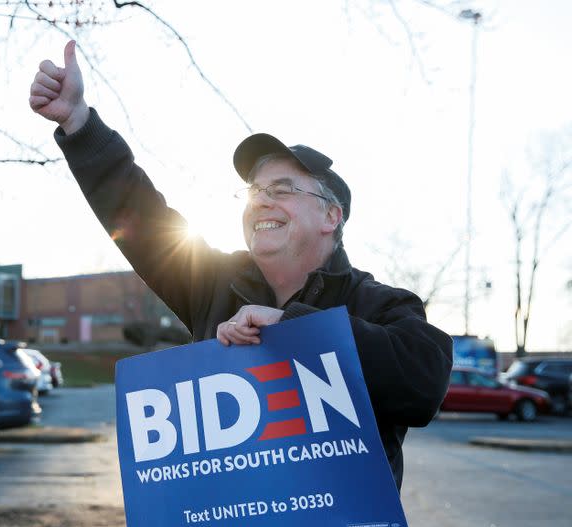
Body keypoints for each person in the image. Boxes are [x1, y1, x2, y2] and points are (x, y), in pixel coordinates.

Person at [29, 40, 452, 490]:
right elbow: (141, 218)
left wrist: (293, 327)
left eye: (284, 189)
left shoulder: (378, 304)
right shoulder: (214, 284)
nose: (262, 200)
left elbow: (423, 382)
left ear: (332, 216)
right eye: (254, 191)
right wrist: (78, 123)